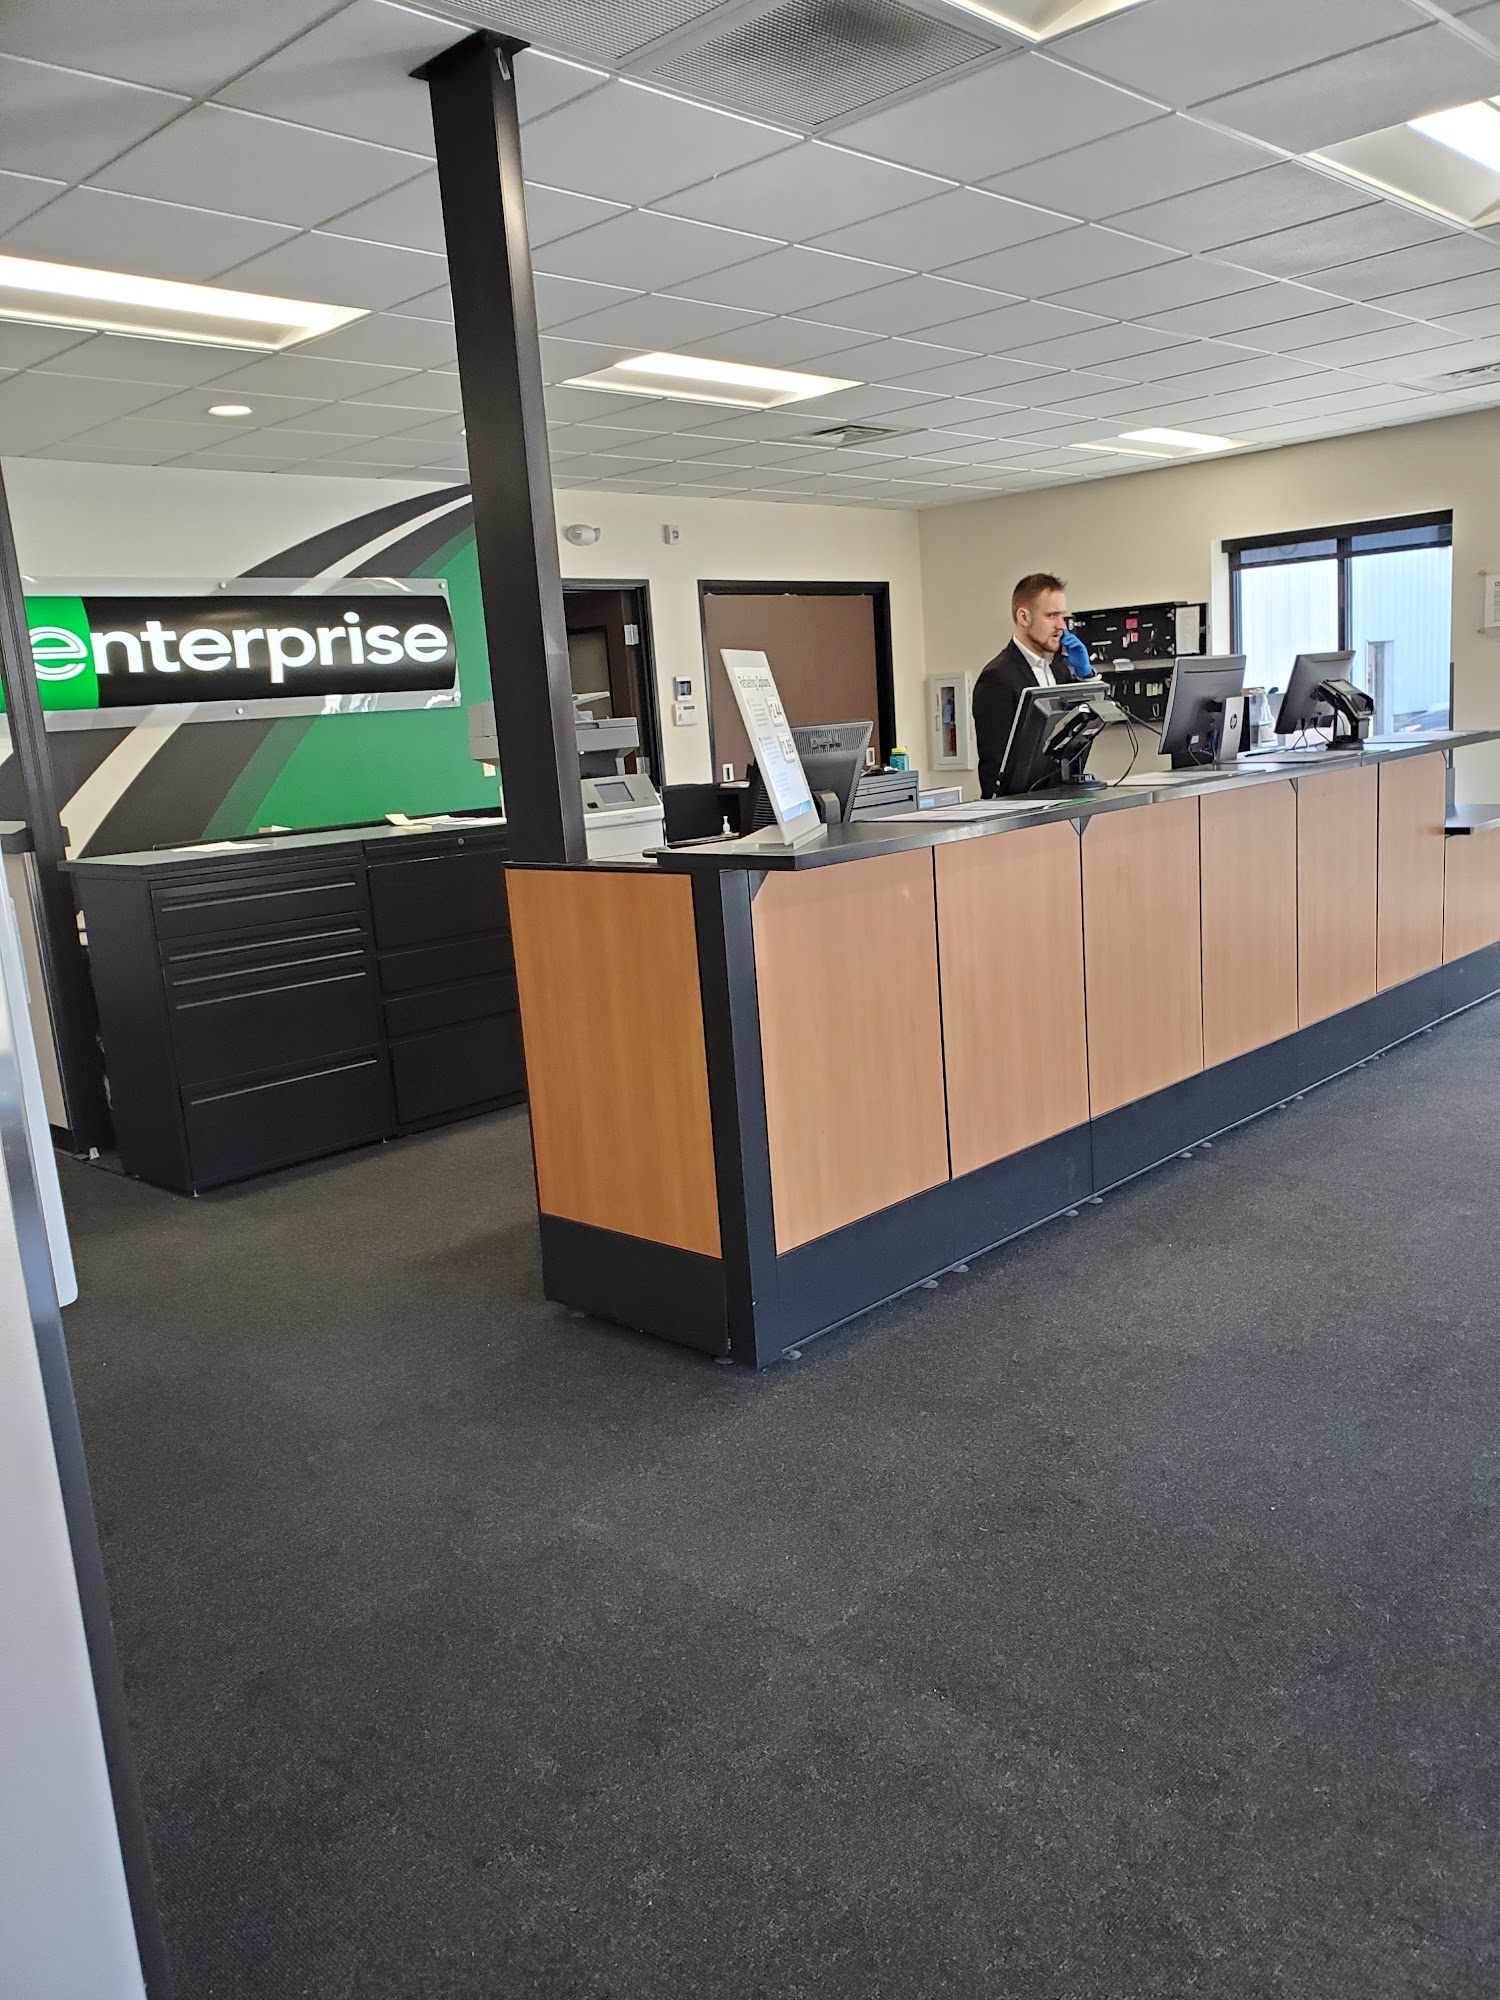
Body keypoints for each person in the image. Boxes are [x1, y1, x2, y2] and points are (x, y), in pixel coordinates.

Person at [972, 571, 1088, 797]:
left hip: (1062, 797)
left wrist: (1087, 675)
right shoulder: (997, 678)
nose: (1061, 626)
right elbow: (996, 766)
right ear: (1024, 617)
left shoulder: (1060, 669)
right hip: (1022, 805)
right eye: (1051, 616)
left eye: (1062, 615)